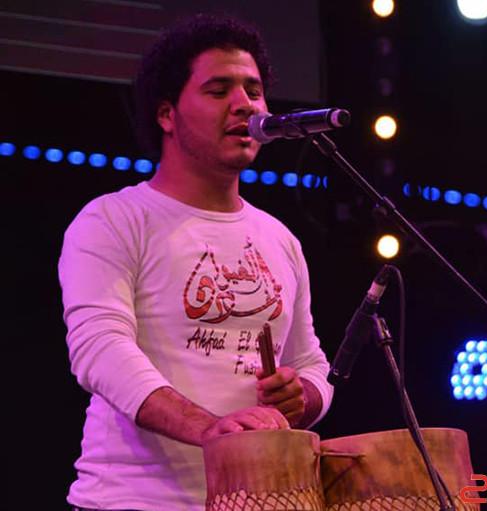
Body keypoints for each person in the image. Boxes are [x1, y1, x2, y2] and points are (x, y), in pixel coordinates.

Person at [58, 12, 334, 511]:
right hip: (133, 502)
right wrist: (211, 430)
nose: (245, 105)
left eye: (254, 90)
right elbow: (100, 348)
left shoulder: (280, 239)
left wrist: (304, 397)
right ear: (167, 115)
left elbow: (311, 362)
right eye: (218, 90)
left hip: (257, 500)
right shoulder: (114, 219)